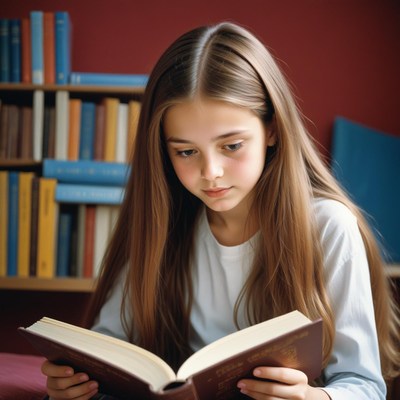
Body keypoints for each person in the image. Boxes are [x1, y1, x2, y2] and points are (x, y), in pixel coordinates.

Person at [42, 22, 400, 400]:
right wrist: (77, 383)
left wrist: (314, 397)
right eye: (185, 151)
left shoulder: (328, 226)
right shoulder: (164, 224)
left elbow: (365, 386)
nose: (210, 172)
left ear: (273, 130)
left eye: (231, 146)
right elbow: (110, 346)